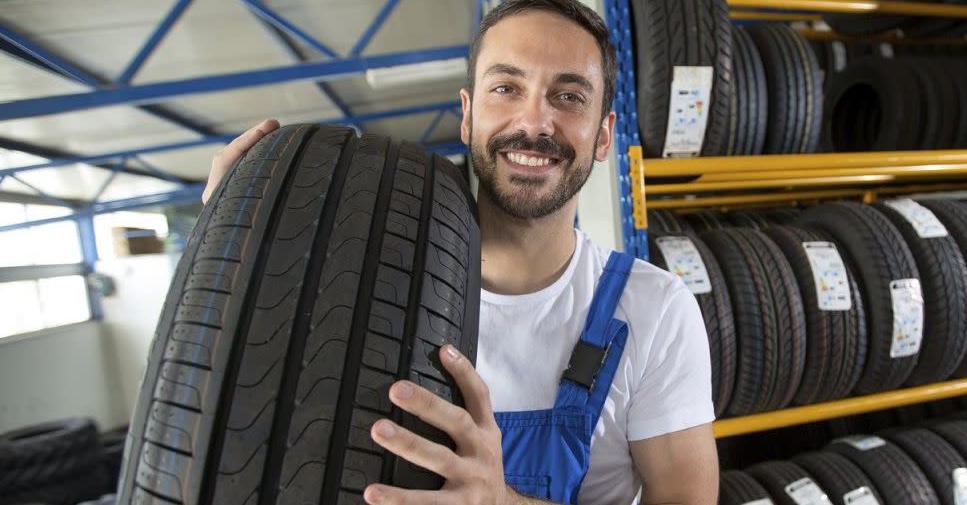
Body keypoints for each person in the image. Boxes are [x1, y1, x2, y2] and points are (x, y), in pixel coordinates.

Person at [201, 0, 718, 503]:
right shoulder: (370, 291)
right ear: (467, 116)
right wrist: (232, 241)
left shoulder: (656, 311)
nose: (535, 122)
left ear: (603, 136)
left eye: (568, 97)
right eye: (506, 88)